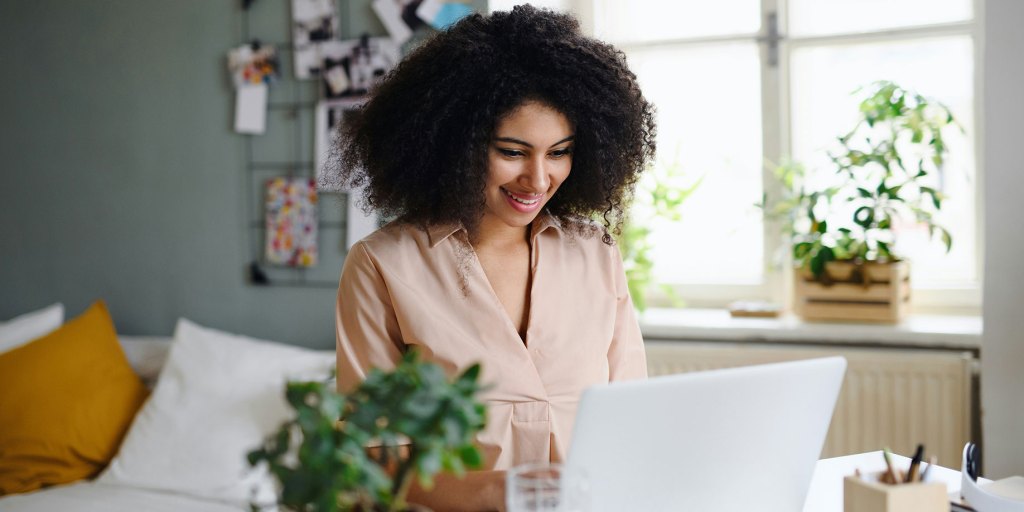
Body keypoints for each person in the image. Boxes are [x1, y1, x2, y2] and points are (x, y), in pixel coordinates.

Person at [329, 5, 655, 510]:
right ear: (456, 145)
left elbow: (634, 421)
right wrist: (495, 490)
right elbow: (373, 458)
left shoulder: (595, 253)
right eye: (512, 151)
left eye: (559, 152)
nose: (538, 178)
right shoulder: (383, 265)